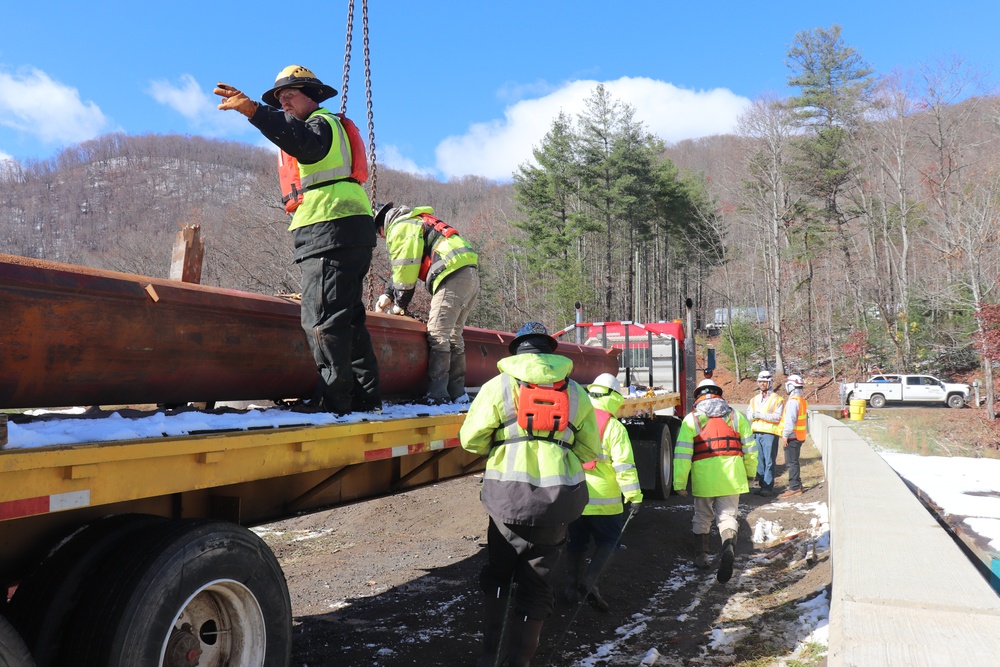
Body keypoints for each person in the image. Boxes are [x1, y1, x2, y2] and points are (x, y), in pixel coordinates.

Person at [214, 66, 381, 415]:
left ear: (312, 96)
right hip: (350, 227)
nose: (284, 102)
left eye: (290, 95)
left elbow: (300, 143)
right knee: (348, 318)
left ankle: (334, 399)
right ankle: (366, 397)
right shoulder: (330, 127)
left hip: (329, 226)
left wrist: (255, 111)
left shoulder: (319, 125)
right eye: (279, 98)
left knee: (320, 319)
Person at [459, 322, 601, 667]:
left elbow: (470, 440)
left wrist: (503, 441)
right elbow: (590, 450)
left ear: (517, 350)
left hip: (507, 502)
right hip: (557, 505)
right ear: (551, 351)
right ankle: (518, 662)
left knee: (499, 576)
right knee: (537, 586)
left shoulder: (498, 387)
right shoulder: (576, 393)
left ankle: (489, 656)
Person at [373, 205, 479, 404]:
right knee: (454, 334)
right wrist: (387, 294)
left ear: (382, 226)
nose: (381, 237)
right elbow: (402, 269)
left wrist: (399, 306)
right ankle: (457, 393)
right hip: (468, 274)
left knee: (438, 333)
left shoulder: (399, 228)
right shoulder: (417, 220)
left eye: (379, 233)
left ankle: (437, 396)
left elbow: (405, 273)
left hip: (451, 275)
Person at [564, 373, 642, 613]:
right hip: (605, 502)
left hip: (575, 497)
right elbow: (624, 466)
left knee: (575, 543)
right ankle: (590, 582)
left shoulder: (574, 419)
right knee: (609, 541)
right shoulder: (614, 427)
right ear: (614, 397)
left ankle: (571, 588)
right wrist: (634, 497)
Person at [673, 378, 757, 584]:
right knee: (728, 516)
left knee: (702, 516)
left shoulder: (691, 420)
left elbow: (682, 455)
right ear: (719, 394)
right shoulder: (736, 416)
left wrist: (680, 484)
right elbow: (750, 449)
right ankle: (728, 545)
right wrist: (750, 472)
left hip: (704, 477)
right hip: (732, 476)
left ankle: (701, 556)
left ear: (698, 396)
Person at [746, 370, 785, 497]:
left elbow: (777, 417)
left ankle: (768, 487)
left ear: (770, 382)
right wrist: (755, 416)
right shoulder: (754, 399)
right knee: (759, 461)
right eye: (760, 381)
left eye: (764, 382)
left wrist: (759, 415)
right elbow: (749, 415)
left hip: (770, 433)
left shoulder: (777, 399)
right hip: (756, 432)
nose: (762, 384)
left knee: (769, 461)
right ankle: (762, 484)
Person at [778, 374, 809, 499]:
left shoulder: (792, 402)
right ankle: (797, 484)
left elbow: (790, 421)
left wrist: (785, 435)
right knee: (795, 462)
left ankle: (794, 487)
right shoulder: (801, 400)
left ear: (790, 386)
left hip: (792, 436)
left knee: (791, 463)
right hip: (799, 436)